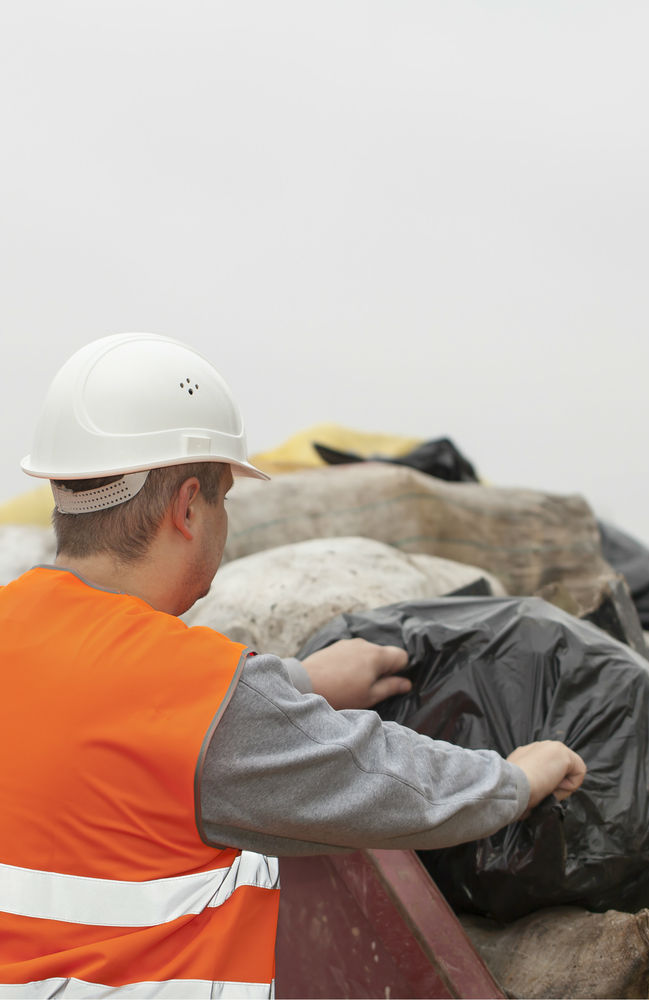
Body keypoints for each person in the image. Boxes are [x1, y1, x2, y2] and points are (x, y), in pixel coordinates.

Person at [0, 333, 586, 998]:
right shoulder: (197, 692)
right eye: (223, 499)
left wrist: (301, 682)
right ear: (188, 506)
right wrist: (514, 779)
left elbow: (97, 708)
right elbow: (381, 780)